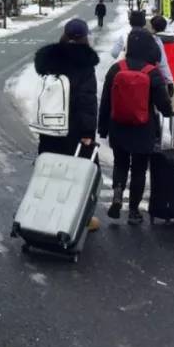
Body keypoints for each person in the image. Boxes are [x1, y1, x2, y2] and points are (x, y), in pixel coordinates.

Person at [98, 28, 174, 224]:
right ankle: (133, 211)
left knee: (120, 163)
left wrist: (103, 128)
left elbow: (106, 101)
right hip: (143, 128)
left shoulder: (117, 69)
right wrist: (168, 111)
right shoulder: (151, 72)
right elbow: (163, 102)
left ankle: (117, 192)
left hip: (118, 126)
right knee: (139, 169)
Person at [34, 18, 102, 232]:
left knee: (49, 172)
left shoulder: (48, 60)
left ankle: (44, 216)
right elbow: (87, 100)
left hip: (50, 127)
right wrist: (88, 132)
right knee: (82, 174)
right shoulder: (85, 63)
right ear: (84, 37)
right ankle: (80, 218)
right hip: (74, 129)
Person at [151, 15, 174, 147]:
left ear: (153, 27)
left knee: (155, 108)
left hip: (155, 79)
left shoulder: (153, 40)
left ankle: (156, 138)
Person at [111, 10, 174, 84]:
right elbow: (162, 62)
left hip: (127, 76)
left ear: (130, 22)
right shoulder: (154, 38)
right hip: (148, 76)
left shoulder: (125, 36)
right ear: (144, 23)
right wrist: (169, 80)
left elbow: (114, 53)